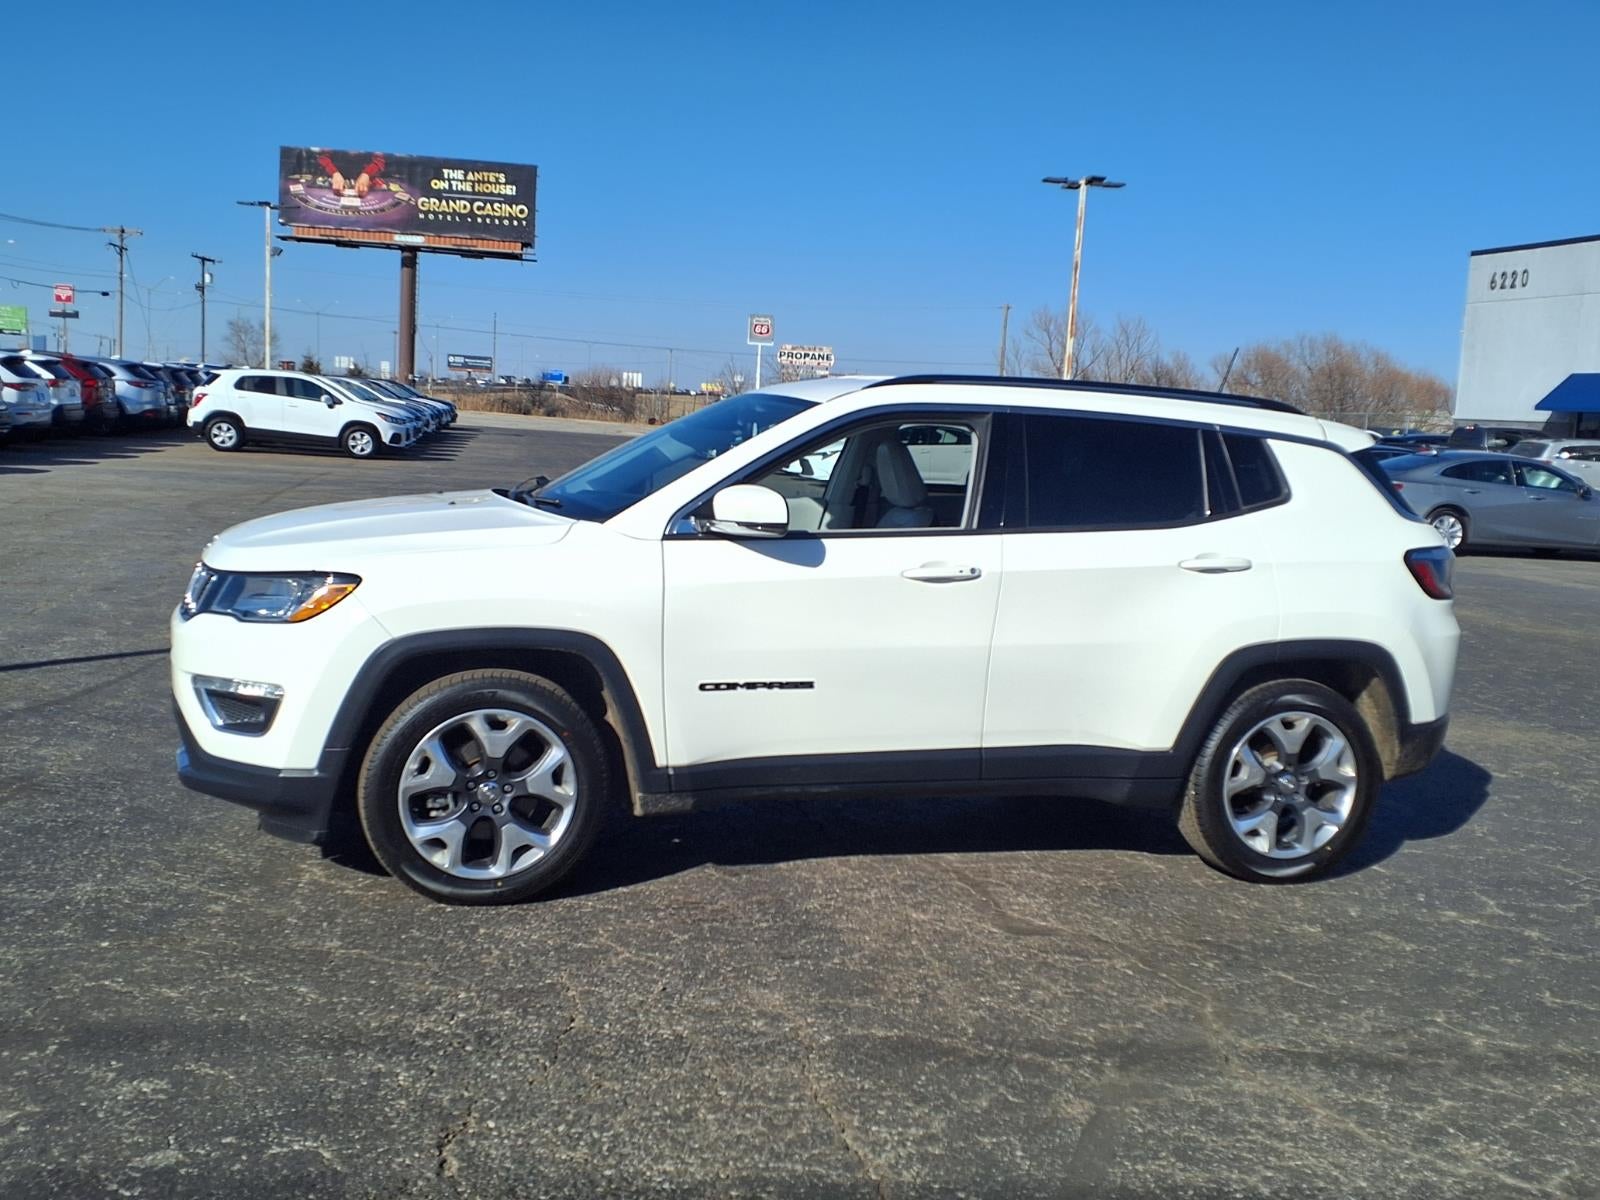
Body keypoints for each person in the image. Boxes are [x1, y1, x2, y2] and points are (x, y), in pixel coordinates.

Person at [316, 151, 386, 197]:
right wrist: (334, 173)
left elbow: (379, 160)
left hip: (367, 181)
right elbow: (323, 157)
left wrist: (367, 174)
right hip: (334, 178)